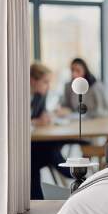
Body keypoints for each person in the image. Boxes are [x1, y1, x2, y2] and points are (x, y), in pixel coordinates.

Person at [30, 63, 71, 200]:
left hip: (35, 141)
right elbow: (18, 124)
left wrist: (47, 116)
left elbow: (40, 114)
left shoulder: (38, 96)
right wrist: (36, 122)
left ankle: (71, 171)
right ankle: (72, 172)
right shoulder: (20, 97)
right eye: (45, 82)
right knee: (48, 151)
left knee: (52, 146)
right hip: (26, 146)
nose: (48, 86)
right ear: (32, 80)